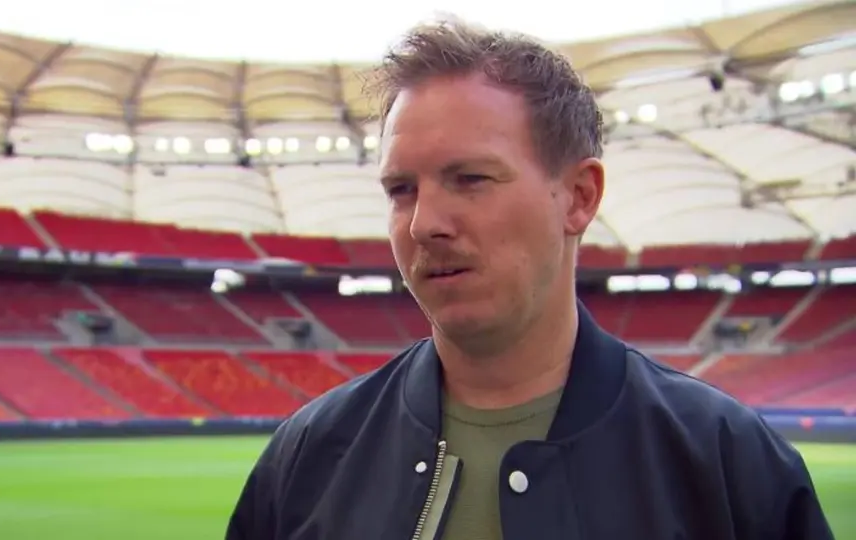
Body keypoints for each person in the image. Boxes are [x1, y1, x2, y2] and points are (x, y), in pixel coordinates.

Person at [226, 18, 835, 540]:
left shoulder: (727, 464)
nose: (423, 223)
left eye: (470, 179)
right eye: (401, 189)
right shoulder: (307, 457)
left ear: (579, 196)